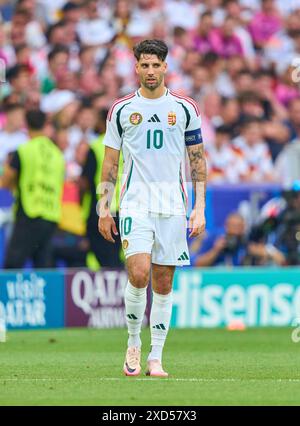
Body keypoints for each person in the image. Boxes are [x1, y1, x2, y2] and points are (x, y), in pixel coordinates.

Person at [98, 39, 206, 377]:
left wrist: (199, 206)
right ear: (136, 67)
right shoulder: (121, 109)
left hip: (173, 204)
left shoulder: (185, 107)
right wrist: (104, 207)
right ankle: (133, 342)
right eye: (143, 65)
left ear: (165, 67)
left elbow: (197, 160)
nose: (149, 71)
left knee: (163, 281)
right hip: (135, 203)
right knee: (139, 272)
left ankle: (155, 357)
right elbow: (110, 162)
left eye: (155, 65)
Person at [0, 109, 65, 268]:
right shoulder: (57, 154)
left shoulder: (24, 150)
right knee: (43, 264)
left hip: (29, 211)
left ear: (26, 125)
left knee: (13, 264)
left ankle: (9, 294)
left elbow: (6, 181)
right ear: (45, 125)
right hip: (51, 214)